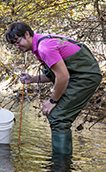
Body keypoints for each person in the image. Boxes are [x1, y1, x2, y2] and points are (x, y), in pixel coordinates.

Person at [6, 22, 102, 155]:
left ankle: (60, 165)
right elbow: (56, 74)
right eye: (14, 44)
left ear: (27, 34)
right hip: (79, 75)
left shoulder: (45, 47)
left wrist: (52, 101)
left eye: (17, 42)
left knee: (58, 117)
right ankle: (61, 162)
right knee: (57, 116)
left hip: (85, 77)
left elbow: (63, 76)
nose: (17, 47)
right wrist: (32, 79)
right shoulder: (42, 43)